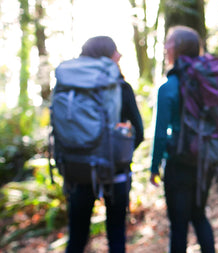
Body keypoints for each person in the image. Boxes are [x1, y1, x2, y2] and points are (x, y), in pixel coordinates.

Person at [64, 36, 144, 253]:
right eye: (115, 51)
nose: (119, 55)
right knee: (116, 236)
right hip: (115, 172)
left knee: (77, 238)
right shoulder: (121, 87)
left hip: (78, 171)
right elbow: (139, 132)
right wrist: (119, 155)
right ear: (109, 56)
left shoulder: (69, 87)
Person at [149, 26, 216, 253]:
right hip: (206, 160)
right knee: (199, 216)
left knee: (178, 225)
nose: (166, 47)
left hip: (179, 163)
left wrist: (154, 166)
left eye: (169, 43)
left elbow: (160, 133)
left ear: (176, 49)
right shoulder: (208, 81)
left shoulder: (169, 87)